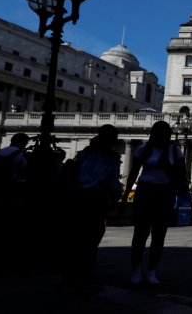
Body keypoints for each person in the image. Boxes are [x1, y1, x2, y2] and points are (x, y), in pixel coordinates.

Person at [121, 120, 188, 286]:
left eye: (165, 133)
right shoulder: (144, 149)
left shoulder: (175, 151)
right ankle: (136, 269)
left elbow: (181, 176)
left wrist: (167, 166)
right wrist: (126, 194)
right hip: (145, 191)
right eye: (160, 133)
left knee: (159, 235)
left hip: (164, 193)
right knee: (140, 233)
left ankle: (152, 271)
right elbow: (134, 172)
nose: (163, 136)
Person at [62, 124, 122, 292]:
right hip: (95, 201)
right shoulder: (111, 158)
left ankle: (69, 278)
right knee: (90, 242)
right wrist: (116, 197)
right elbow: (113, 184)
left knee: (74, 240)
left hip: (76, 199)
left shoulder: (84, 153)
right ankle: (85, 278)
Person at [0, 133, 29, 273]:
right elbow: (25, 177)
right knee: (12, 227)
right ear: (23, 143)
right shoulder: (21, 156)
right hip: (14, 195)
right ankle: (7, 260)